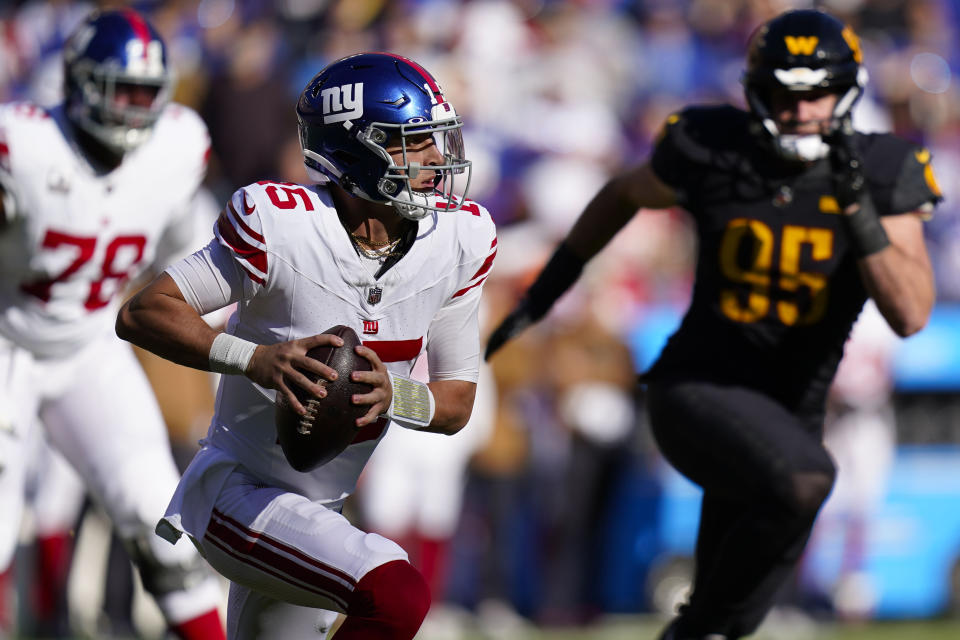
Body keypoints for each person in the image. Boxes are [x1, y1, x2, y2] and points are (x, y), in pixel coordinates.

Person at [484, 9, 940, 640]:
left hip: (792, 415)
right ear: (756, 91)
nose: (803, 111)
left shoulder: (882, 168)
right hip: (698, 385)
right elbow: (623, 193)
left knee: (734, 623)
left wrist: (857, 210)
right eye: (785, 94)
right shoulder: (712, 142)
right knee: (809, 480)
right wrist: (549, 288)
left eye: (818, 94)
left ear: (846, 92)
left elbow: (911, 312)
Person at [116, 51, 497, 639]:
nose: (435, 159)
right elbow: (145, 311)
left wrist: (394, 395)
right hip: (236, 494)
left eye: (435, 140)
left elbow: (455, 403)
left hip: (317, 513)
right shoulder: (282, 226)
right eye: (412, 142)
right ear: (354, 150)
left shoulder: (458, 241)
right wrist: (256, 360)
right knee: (396, 593)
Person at [0, 9, 226, 639]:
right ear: (79, 84)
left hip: (90, 347)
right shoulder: (21, 145)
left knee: (161, 522)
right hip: (6, 339)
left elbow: (185, 258)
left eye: (146, 94)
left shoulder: (178, 148)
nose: (133, 109)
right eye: (120, 90)